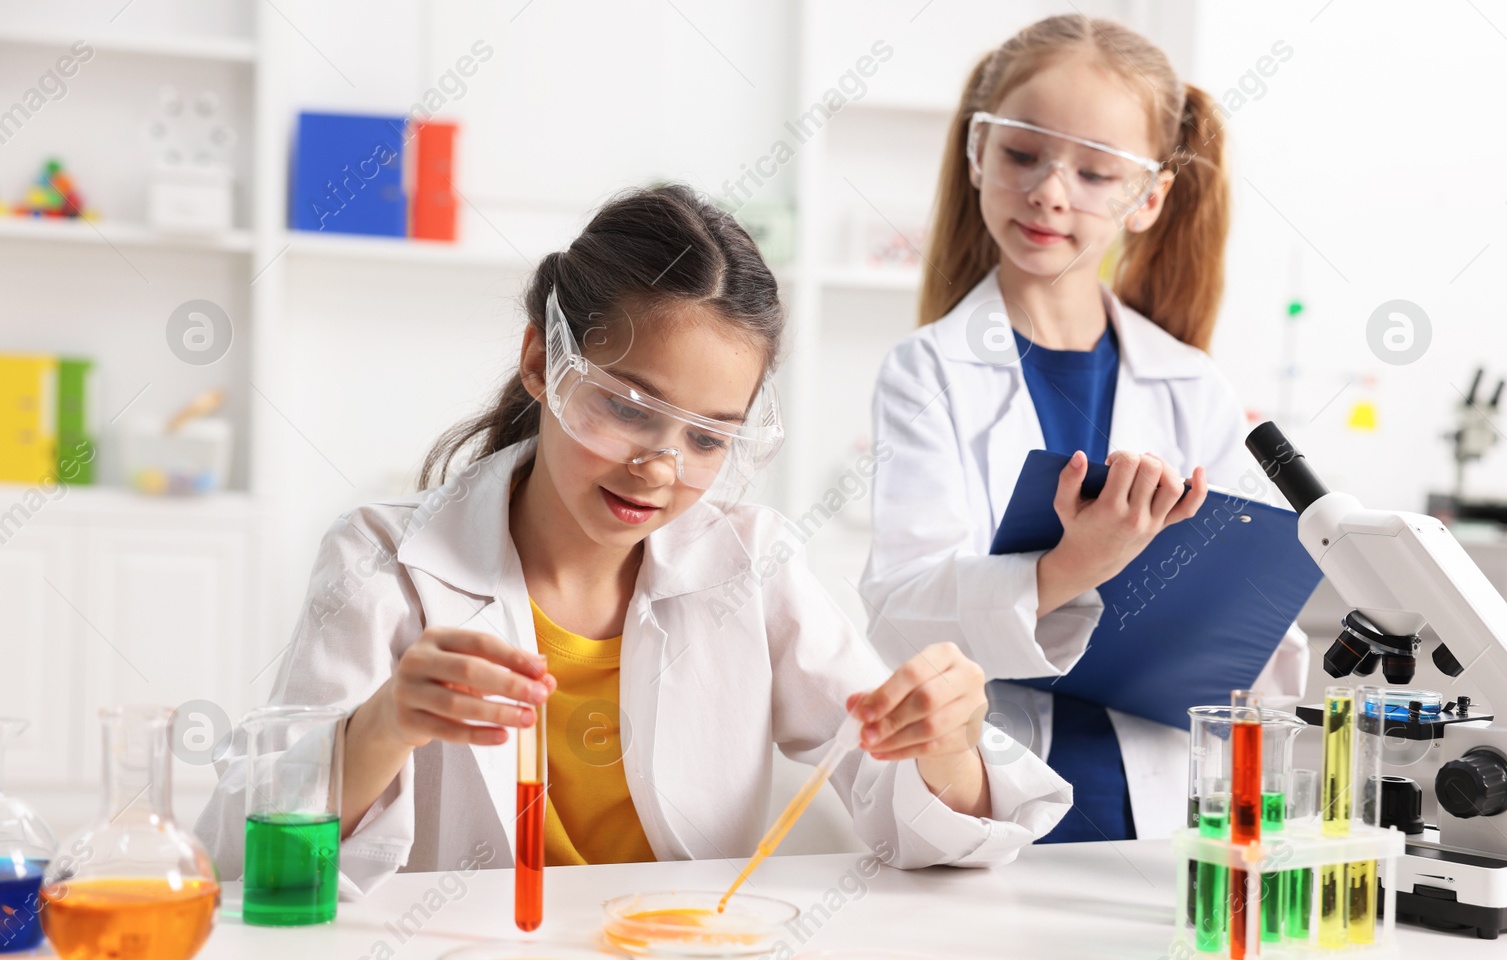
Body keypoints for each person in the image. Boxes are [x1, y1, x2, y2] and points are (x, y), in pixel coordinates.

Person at [199, 184, 1070, 896]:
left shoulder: (751, 563)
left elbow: (911, 819)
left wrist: (946, 739)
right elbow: (238, 862)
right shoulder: (382, 562)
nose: (660, 467)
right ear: (542, 362)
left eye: (707, 437)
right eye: (627, 406)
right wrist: (384, 724)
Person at [861, 15, 1307, 844]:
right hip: (992, 793)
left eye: (1097, 172)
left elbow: (1253, 651)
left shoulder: (1192, 384)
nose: (1050, 192)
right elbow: (898, 616)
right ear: (976, 153)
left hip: (1167, 801)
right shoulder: (926, 371)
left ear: (1148, 198)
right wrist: (1067, 568)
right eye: (1023, 155)